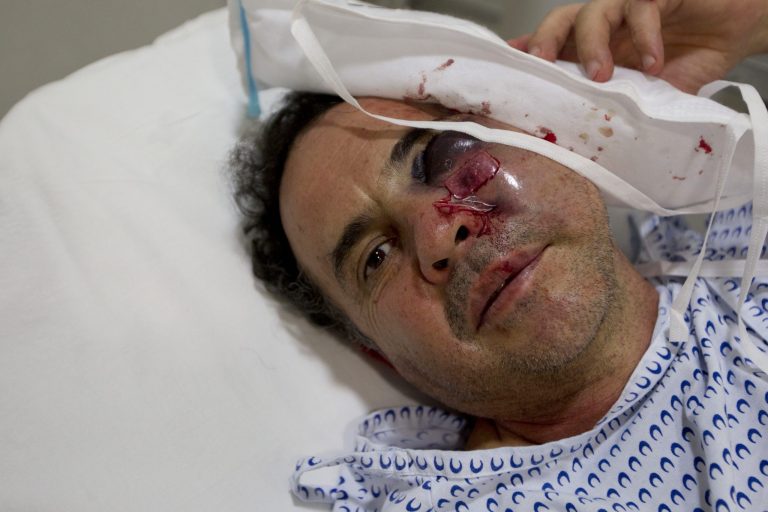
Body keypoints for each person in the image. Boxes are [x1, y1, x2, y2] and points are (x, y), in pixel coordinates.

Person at [232, 0, 768, 509]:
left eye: (439, 153)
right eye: (374, 258)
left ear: (540, 134)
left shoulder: (748, 243)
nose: (440, 233)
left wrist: (742, 25)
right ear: (379, 354)